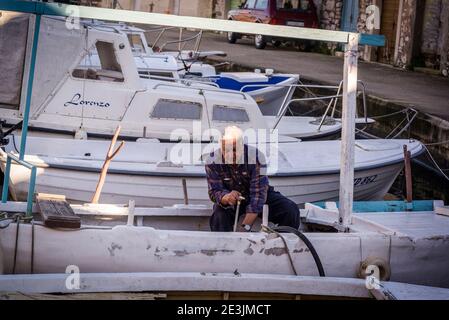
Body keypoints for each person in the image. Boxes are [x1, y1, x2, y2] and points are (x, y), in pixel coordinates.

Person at [205, 126, 300, 232]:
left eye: (235, 149)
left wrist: (245, 227)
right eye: (226, 150)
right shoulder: (212, 161)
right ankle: (223, 246)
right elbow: (214, 191)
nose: (231, 154)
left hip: (259, 195)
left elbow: (258, 195)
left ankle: (279, 242)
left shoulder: (257, 157)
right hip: (232, 200)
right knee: (219, 215)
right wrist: (226, 197)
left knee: (290, 210)